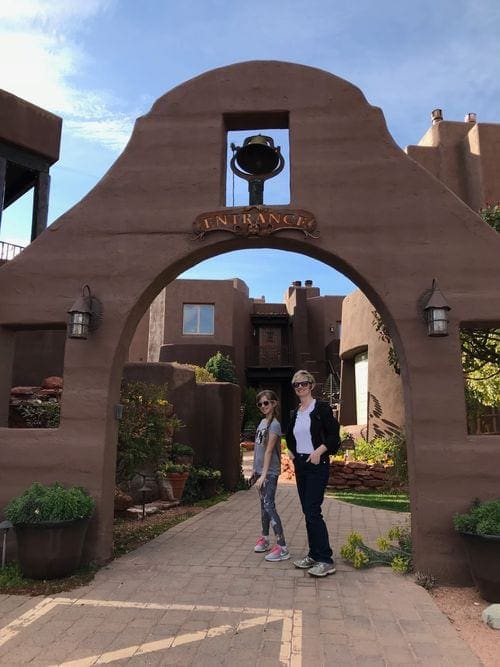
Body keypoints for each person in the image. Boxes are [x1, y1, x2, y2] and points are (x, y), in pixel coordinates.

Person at [285, 370, 340, 577]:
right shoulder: (296, 412)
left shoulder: (322, 409)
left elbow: (335, 436)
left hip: (317, 463)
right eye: (296, 385)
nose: (300, 387)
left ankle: (325, 559)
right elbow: (291, 436)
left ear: (311, 385)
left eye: (304, 383)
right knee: (308, 512)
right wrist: (290, 450)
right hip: (301, 464)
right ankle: (314, 554)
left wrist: (319, 450)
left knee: (313, 510)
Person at [252, 389, 289, 562]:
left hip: (269, 472)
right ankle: (265, 539)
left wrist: (264, 475)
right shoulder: (262, 422)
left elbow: (268, 451)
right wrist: (255, 470)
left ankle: (282, 547)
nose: (263, 406)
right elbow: (258, 448)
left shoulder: (274, 425)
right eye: (260, 404)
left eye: (266, 403)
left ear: (274, 403)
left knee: (269, 506)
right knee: (263, 506)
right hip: (260, 472)